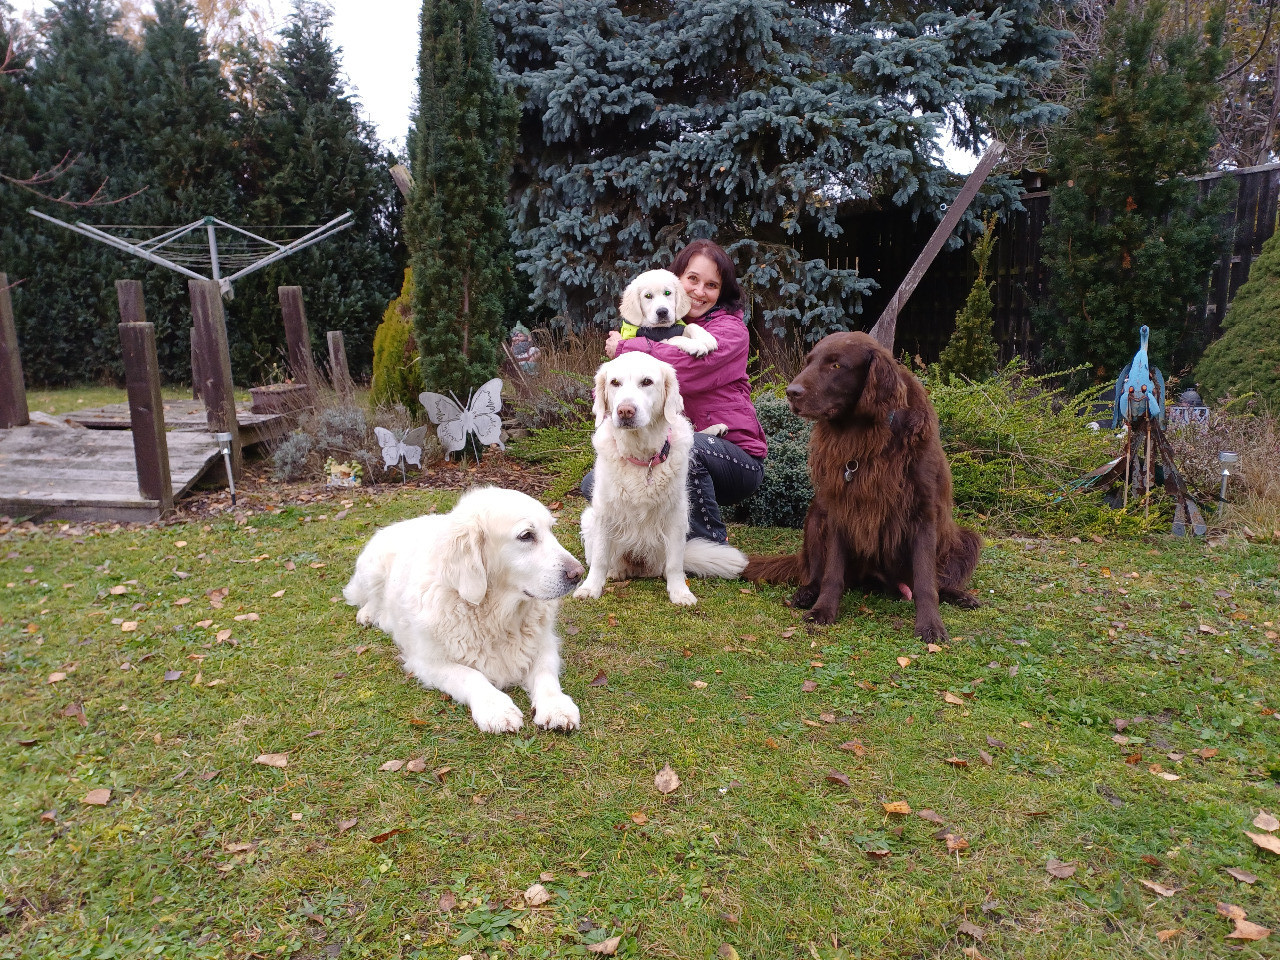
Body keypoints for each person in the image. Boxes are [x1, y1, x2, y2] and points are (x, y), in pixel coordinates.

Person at [583, 239, 767, 543]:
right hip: (669, 443)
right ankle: (649, 544)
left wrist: (627, 347)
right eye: (692, 279)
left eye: (711, 285)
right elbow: (619, 388)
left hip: (734, 454)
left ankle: (709, 545)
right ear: (676, 278)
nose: (699, 291)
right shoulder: (655, 325)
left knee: (684, 448)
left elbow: (684, 370)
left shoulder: (731, 331)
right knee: (595, 481)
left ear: (722, 292)